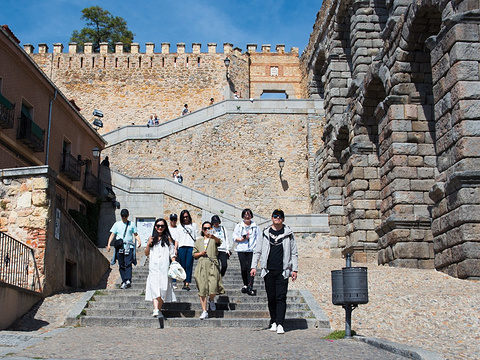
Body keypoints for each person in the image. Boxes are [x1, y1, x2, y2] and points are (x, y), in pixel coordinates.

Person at [250, 209, 298, 334]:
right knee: (271, 297)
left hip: (283, 271)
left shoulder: (288, 233)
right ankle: (273, 321)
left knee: (281, 297)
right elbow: (258, 250)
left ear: (283, 219)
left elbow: (294, 252)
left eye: (280, 216)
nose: (277, 218)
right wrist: (253, 266)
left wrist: (295, 269)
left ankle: (280, 323)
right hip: (268, 270)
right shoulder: (265, 232)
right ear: (271, 218)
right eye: (275, 216)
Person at [145, 218, 177, 318]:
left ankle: (158, 310)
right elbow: (146, 253)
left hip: (164, 267)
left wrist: (174, 262)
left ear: (165, 227)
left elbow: (172, 253)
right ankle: (156, 309)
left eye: (162, 226)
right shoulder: (152, 238)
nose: (160, 227)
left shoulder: (168, 238)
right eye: (158, 226)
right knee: (154, 288)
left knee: (163, 288)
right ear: (155, 227)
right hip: (153, 267)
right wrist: (148, 244)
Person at [193, 221, 224, 319]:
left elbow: (219, 242)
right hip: (202, 264)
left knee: (213, 286)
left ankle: (211, 299)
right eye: (205, 228)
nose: (207, 230)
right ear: (202, 230)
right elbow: (194, 254)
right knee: (202, 289)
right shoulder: (198, 241)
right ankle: (204, 311)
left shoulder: (214, 239)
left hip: (212, 264)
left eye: (209, 228)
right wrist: (201, 253)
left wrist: (213, 236)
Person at [107, 209, 142, 289]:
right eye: (123, 216)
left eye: (125, 216)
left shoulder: (131, 224)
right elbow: (112, 234)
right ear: (121, 216)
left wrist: (139, 241)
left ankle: (128, 279)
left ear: (128, 216)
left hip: (129, 247)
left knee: (128, 263)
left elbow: (135, 234)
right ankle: (124, 281)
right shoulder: (117, 224)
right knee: (121, 264)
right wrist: (108, 244)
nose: (124, 217)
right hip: (120, 247)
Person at [232, 208, 259, 296]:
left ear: (251, 216)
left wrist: (258, 249)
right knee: (243, 268)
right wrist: (241, 239)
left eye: (248, 215)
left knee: (250, 268)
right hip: (241, 249)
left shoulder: (255, 226)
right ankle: (245, 284)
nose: (247, 216)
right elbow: (234, 237)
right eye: (245, 215)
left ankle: (250, 285)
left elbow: (258, 238)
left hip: (252, 250)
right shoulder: (239, 226)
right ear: (243, 216)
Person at [176, 209, 198, 291]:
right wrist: (175, 249)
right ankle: (184, 281)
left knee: (189, 265)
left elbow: (197, 237)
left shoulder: (194, 225)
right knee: (183, 265)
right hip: (181, 247)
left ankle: (187, 283)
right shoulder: (179, 226)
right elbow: (177, 238)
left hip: (191, 246)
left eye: (186, 216)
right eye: (183, 217)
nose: (185, 218)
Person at [168, 213, 180, 289]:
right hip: (168, 248)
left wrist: (175, 249)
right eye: (172, 219)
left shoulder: (178, 228)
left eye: (175, 219)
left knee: (174, 265)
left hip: (176, 248)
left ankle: (174, 281)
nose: (173, 221)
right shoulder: (167, 228)